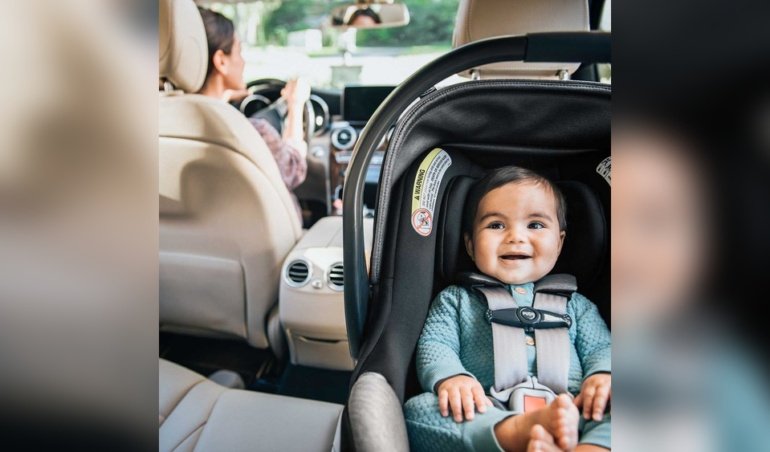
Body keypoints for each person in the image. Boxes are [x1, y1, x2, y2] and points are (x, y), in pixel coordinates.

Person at [404, 166, 611, 451]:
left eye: (535, 225)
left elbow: (601, 347)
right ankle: (517, 434)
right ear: (470, 244)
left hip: (575, 409)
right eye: (496, 225)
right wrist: (452, 377)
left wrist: (603, 374)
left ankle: (590, 448)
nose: (516, 236)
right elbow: (436, 343)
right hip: (488, 410)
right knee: (420, 409)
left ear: (560, 242)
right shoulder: (456, 300)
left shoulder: (577, 305)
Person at [197, 7, 310, 222]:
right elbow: (294, 170)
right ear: (221, 61)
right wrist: (295, 105)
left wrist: (226, 92)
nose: (243, 61)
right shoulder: (251, 132)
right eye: (239, 52)